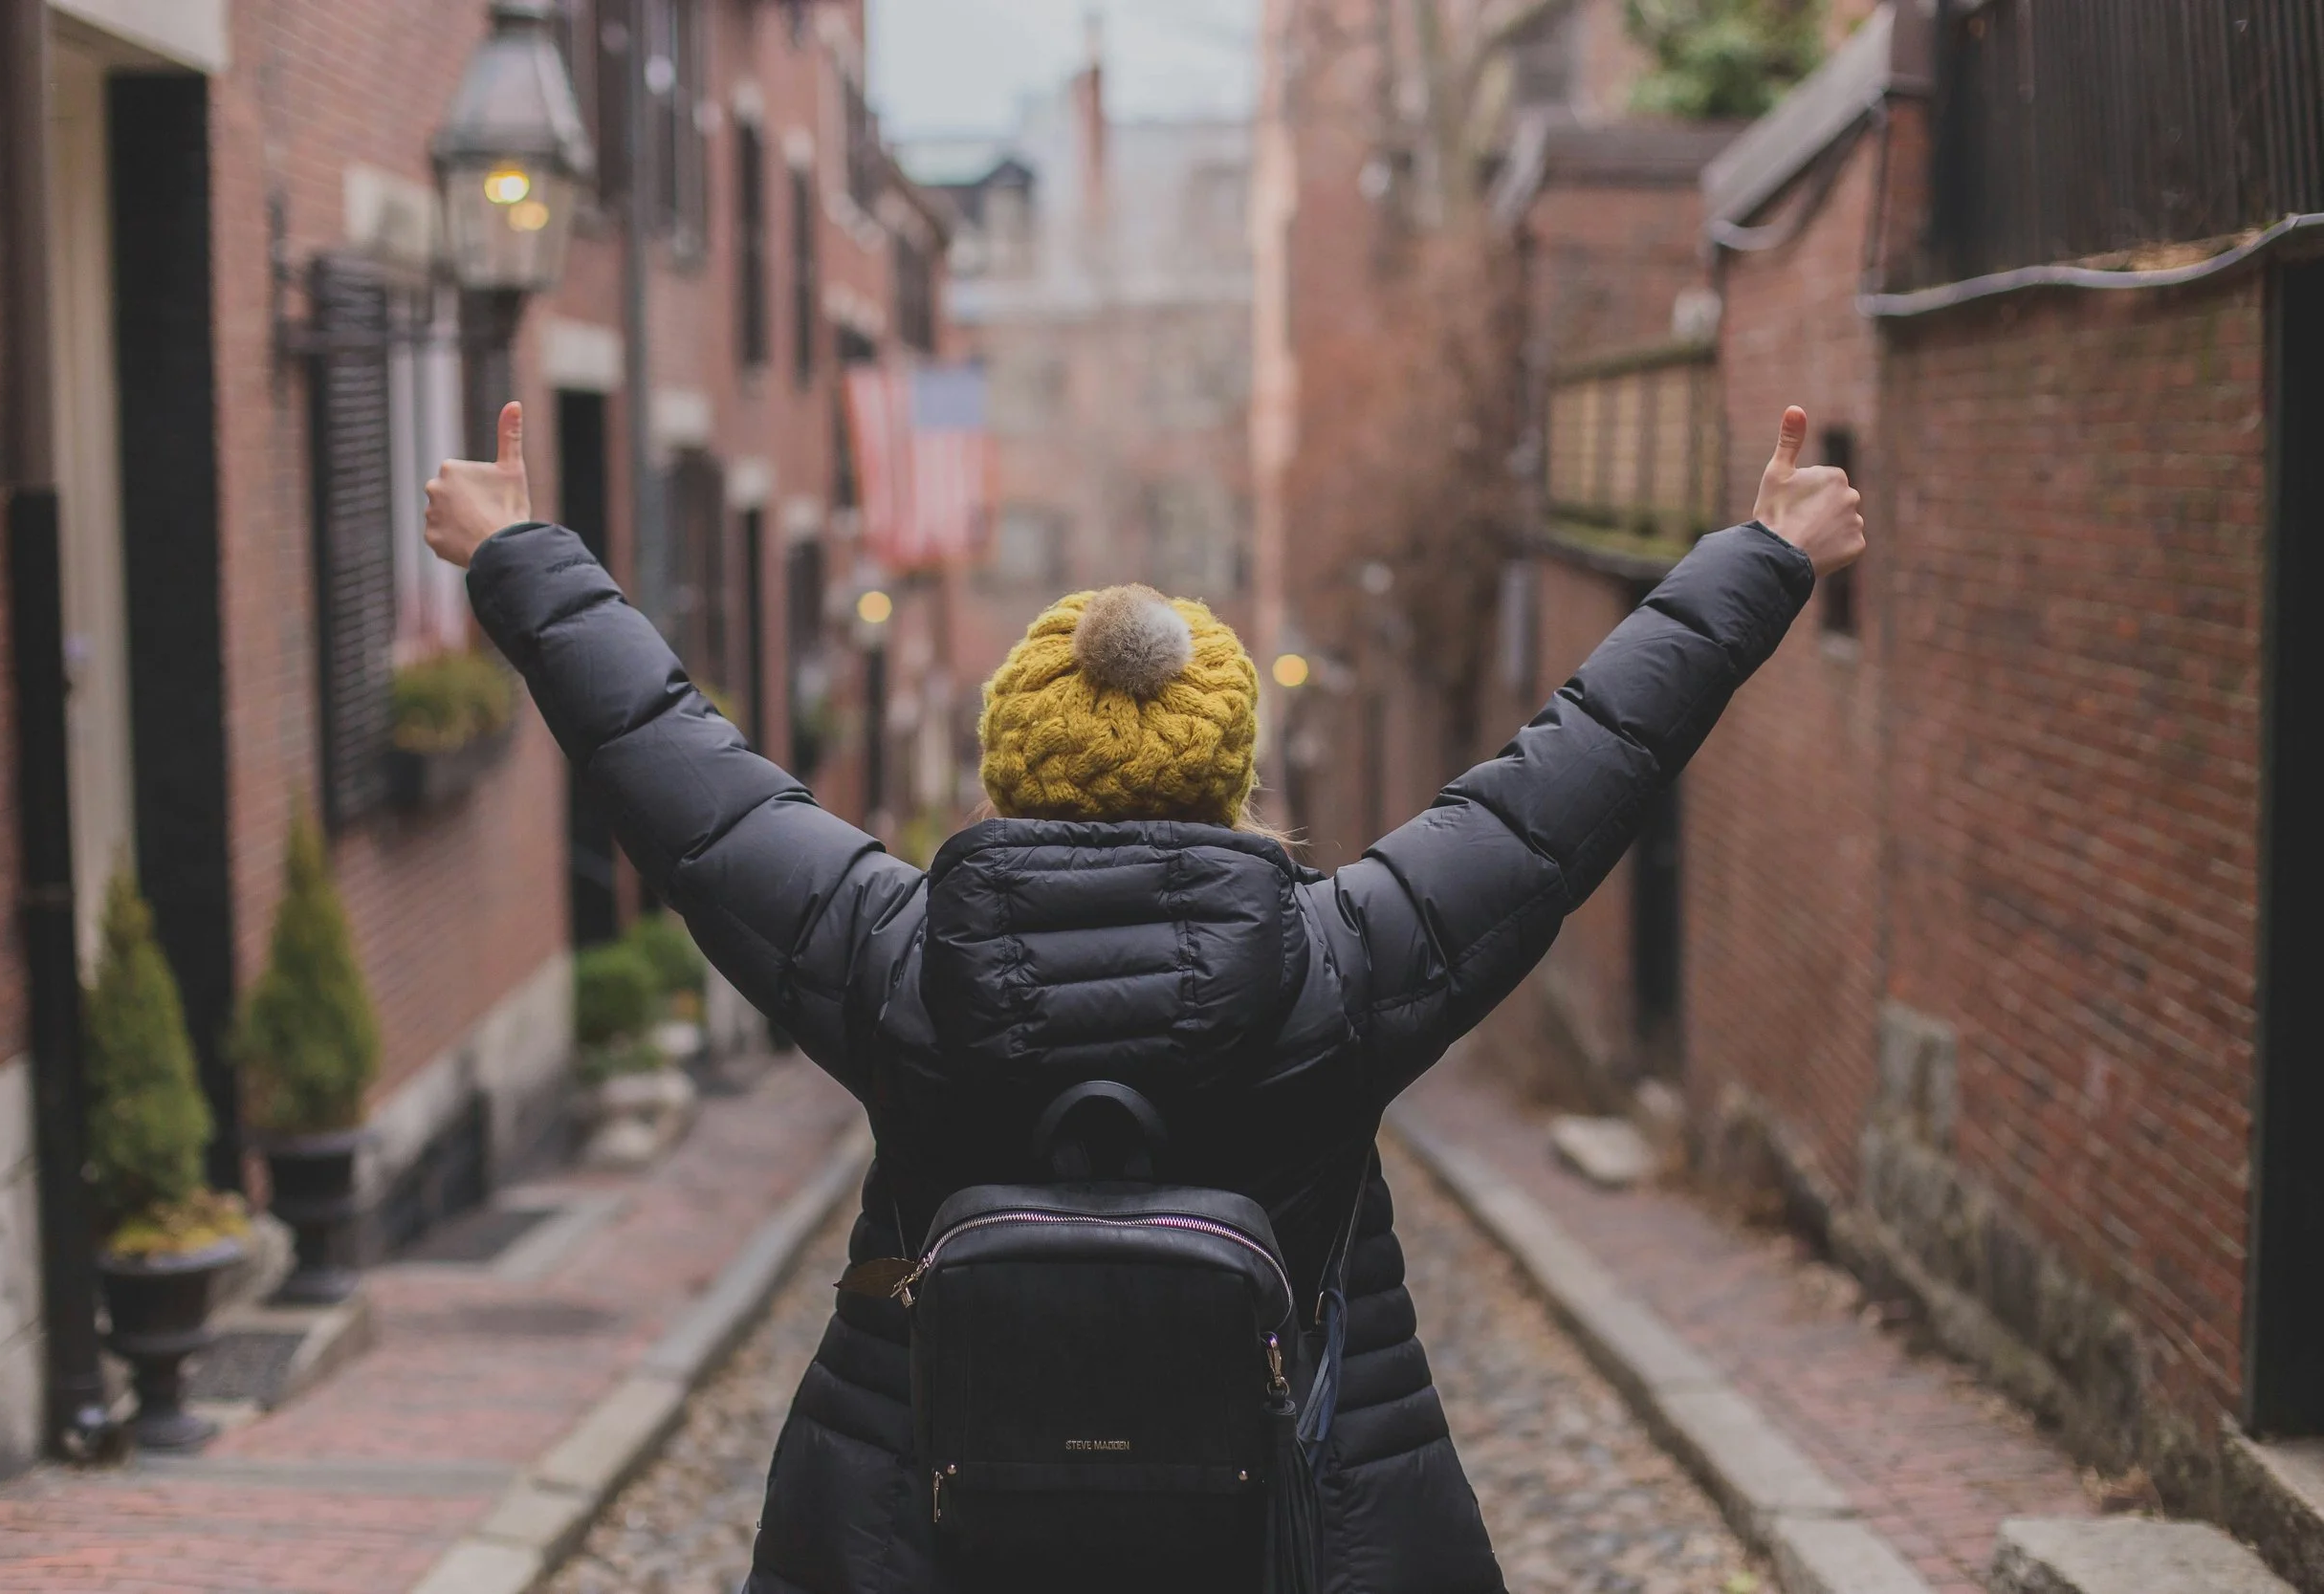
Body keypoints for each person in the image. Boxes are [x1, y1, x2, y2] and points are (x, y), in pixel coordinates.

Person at [427, 400, 1862, 1594]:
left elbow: (681, 773)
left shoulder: (892, 956)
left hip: (932, 1529)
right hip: (1293, 1524)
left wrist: (516, 555)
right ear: (1232, 771)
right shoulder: (1346, 963)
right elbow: (1579, 768)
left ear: (1008, 762)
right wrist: (1764, 556)